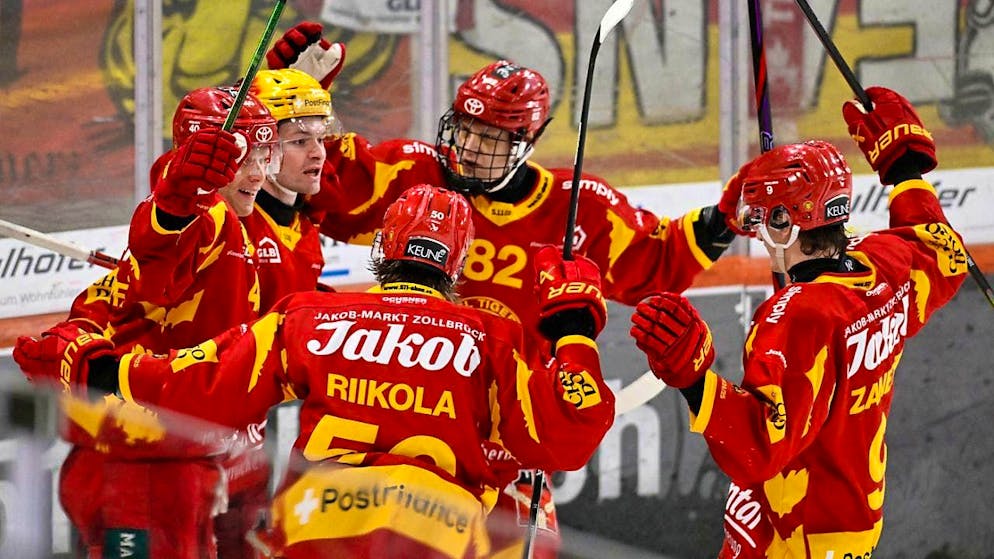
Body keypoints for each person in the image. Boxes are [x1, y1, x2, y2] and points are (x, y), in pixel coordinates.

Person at [267, 22, 741, 557]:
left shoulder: (575, 207)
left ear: (527, 141)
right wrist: (297, 106)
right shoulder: (415, 172)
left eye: (488, 138)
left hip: (512, 434)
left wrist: (727, 214)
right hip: (414, 428)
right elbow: (322, 186)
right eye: (463, 129)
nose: (467, 148)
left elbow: (656, 261)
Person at [15, 184, 617, 559]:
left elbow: (198, 389)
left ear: (382, 248)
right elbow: (569, 433)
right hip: (435, 533)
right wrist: (572, 330)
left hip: (314, 523)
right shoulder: (495, 338)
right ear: (457, 264)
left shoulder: (311, 316)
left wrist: (96, 368)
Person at [630, 87, 967, 558]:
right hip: (850, 517)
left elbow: (759, 448)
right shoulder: (884, 264)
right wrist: (903, 172)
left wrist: (694, 382)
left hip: (799, 535)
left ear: (789, 223)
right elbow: (941, 251)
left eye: (766, 218)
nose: (759, 232)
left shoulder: (798, 316)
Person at [15, 87, 279, 559]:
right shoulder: (208, 216)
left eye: (264, 155)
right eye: (243, 159)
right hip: (142, 473)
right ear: (205, 159)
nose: (258, 174)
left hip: (175, 462)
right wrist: (178, 202)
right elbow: (166, 237)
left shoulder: (238, 224)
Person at [244, 68, 340, 312]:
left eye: (320, 139)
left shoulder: (303, 224)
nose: (318, 153)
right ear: (262, 147)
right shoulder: (230, 223)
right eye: (300, 141)